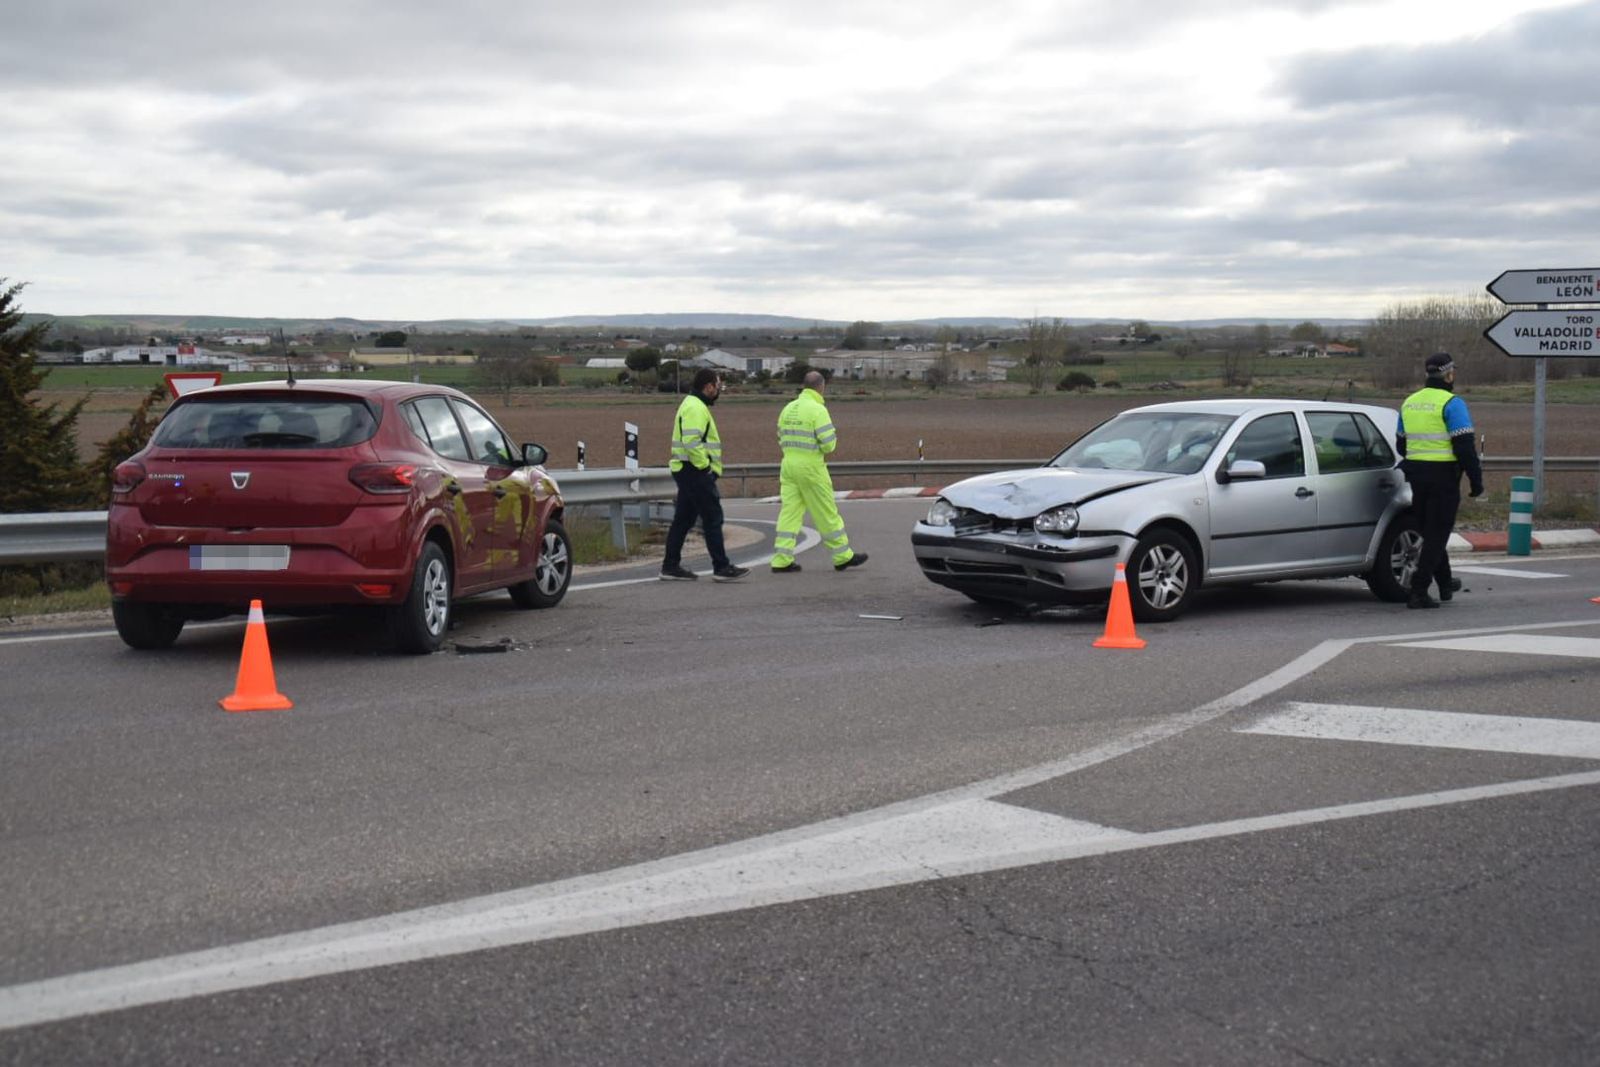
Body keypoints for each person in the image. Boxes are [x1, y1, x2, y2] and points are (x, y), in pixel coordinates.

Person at [1396, 351, 1483, 609]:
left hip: (1416, 475)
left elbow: (1401, 443)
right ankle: (1419, 590)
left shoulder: (1409, 402)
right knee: (1438, 533)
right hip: (1444, 476)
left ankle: (1445, 583)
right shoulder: (1452, 403)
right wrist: (1476, 481)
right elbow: (1464, 446)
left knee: (1429, 530)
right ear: (1449, 373)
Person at [771, 370, 867, 573]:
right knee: (826, 511)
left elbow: (780, 436)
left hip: (788, 465)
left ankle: (781, 559)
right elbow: (828, 445)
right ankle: (843, 556)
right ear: (821, 387)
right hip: (811, 468)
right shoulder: (817, 410)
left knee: (789, 512)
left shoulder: (788, 408)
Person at [660, 369, 749, 582]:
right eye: (718, 386)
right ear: (708, 386)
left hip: (688, 470)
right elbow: (692, 442)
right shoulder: (695, 407)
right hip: (694, 471)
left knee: (683, 519)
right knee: (712, 517)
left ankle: (670, 566)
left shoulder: (693, 405)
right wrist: (705, 467)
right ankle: (721, 567)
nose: (719, 390)